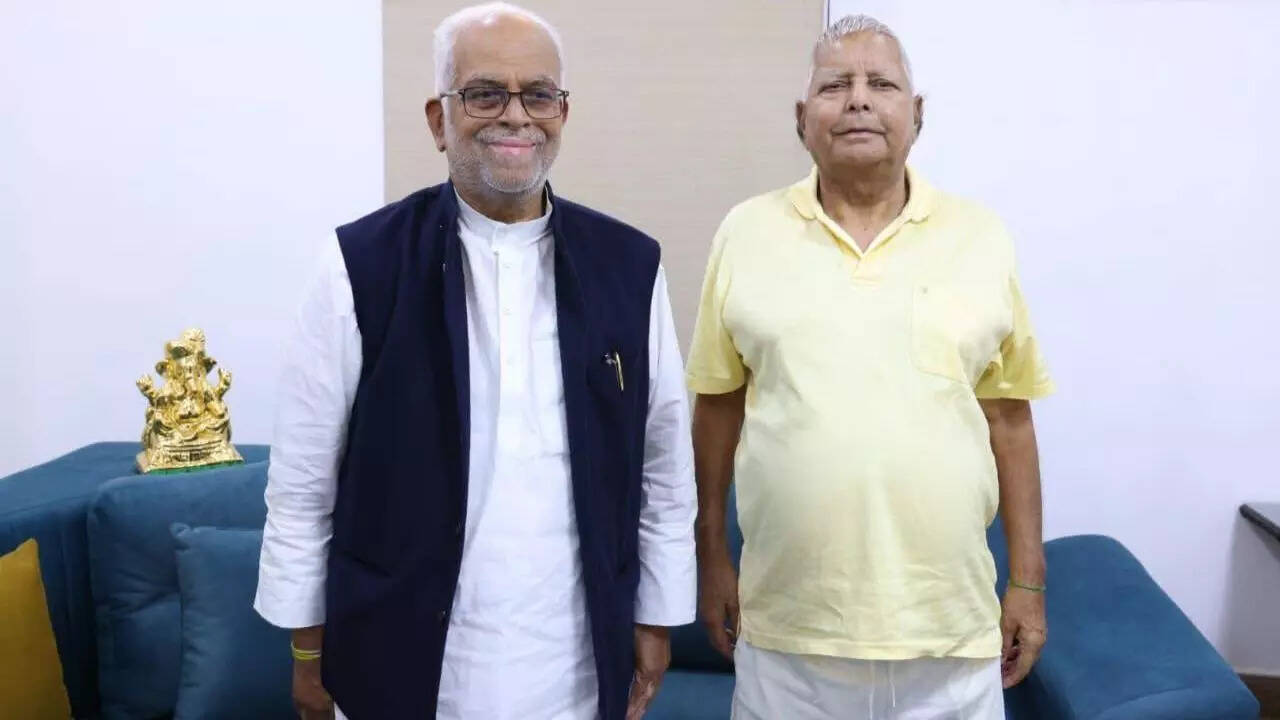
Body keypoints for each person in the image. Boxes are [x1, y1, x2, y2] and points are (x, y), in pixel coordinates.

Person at [254, 4, 695, 718]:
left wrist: (656, 617)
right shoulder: (359, 265)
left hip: (575, 665)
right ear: (439, 119)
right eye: (485, 94)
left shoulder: (629, 266)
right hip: (401, 659)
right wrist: (308, 650)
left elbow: (663, 468)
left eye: (538, 95)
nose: (516, 116)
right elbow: (304, 483)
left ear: (562, 113)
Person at [687, 14, 1054, 719]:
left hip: (950, 639)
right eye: (836, 85)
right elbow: (717, 406)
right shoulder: (745, 232)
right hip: (789, 640)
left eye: (880, 83)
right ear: (802, 119)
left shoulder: (981, 237)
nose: (858, 99)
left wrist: (1029, 584)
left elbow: (1010, 420)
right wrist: (711, 558)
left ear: (917, 115)